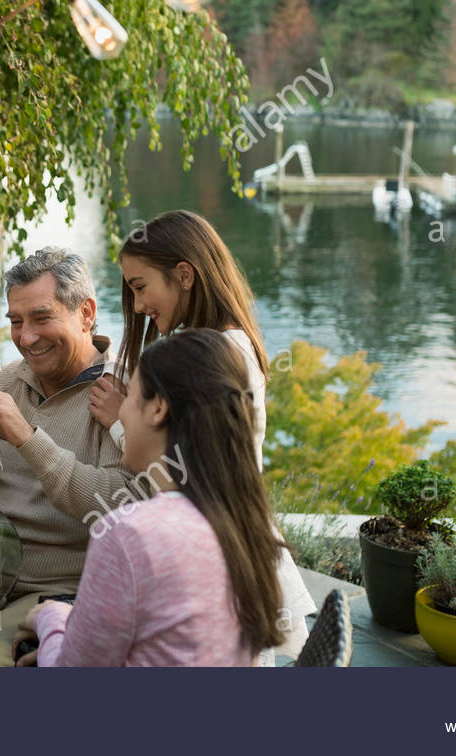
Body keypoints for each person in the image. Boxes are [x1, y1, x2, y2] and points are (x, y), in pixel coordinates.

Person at [87, 209, 316, 660]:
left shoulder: (221, 354)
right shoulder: (215, 344)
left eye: (140, 287)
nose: (136, 307)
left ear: (185, 275)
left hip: (219, 555)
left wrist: (119, 422)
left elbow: (192, 463)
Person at [15, 330, 286, 666]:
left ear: (158, 408)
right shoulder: (240, 521)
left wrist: (52, 618)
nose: (122, 412)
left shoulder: (129, 534)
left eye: (130, 397)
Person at [0, 248, 138, 667]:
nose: (25, 338)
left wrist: (28, 438)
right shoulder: (9, 378)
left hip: (58, 591)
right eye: (16, 322)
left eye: (41, 318)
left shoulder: (121, 391)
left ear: (86, 313)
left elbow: (122, 504)